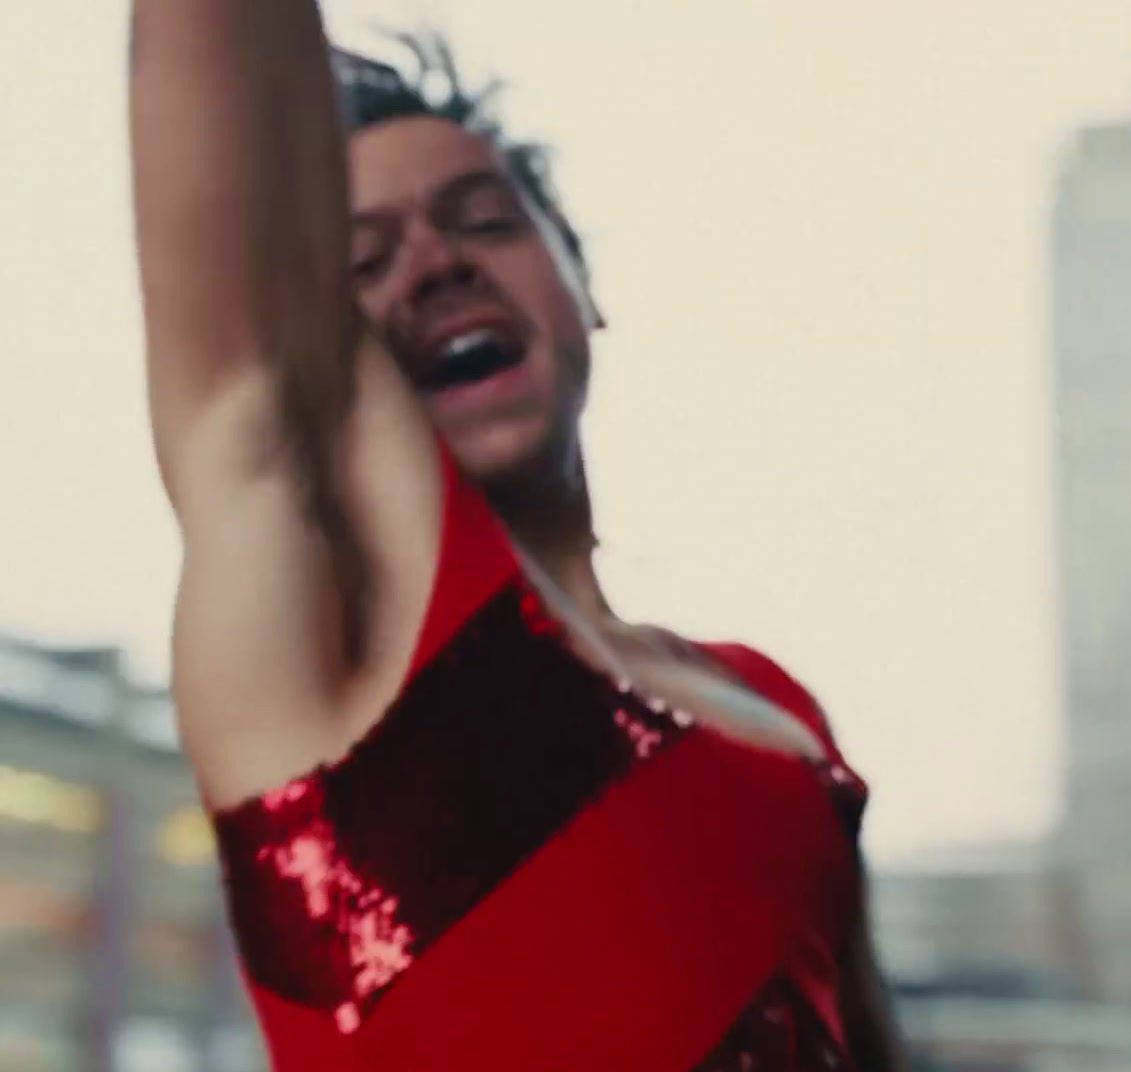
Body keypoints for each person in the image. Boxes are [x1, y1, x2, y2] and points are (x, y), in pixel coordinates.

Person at [130, 2, 907, 1069]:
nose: (437, 262)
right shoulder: (328, 661)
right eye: (363, 261)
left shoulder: (777, 705)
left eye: (484, 217)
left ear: (584, 288)